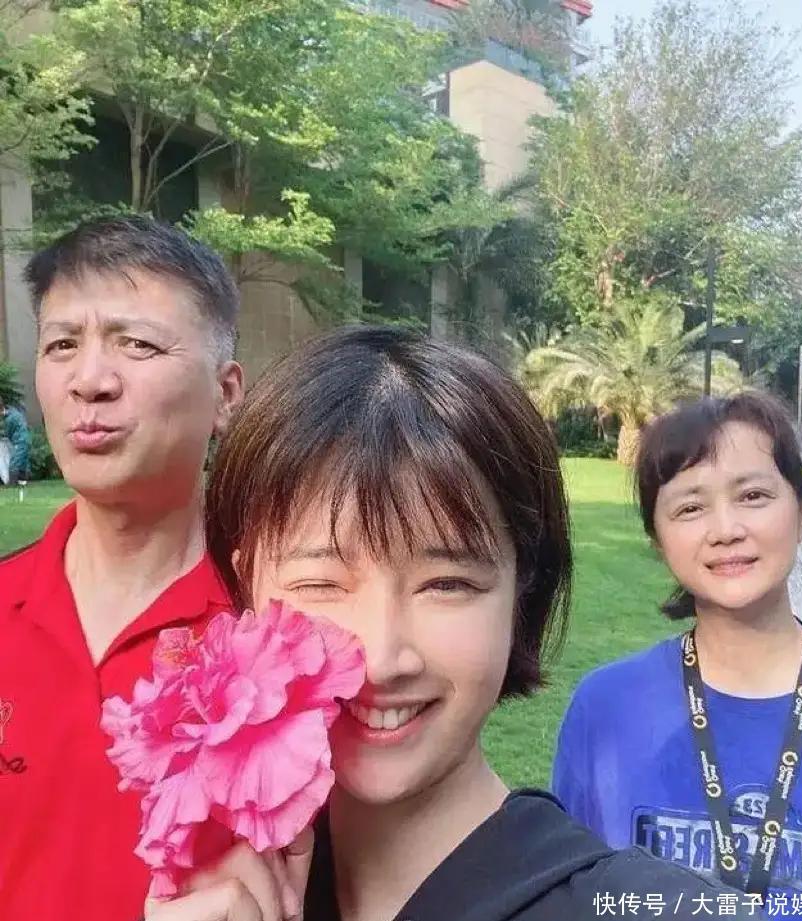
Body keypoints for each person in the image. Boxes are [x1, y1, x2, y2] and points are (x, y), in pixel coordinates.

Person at [150, 326, 753, 921]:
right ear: (247, 592)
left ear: (522, 594)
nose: (382, 658)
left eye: (446, 584)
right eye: (321, 585)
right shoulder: (220, 886)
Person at [0, 216, 244, 921]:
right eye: (62, 345)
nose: (90, 381)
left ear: (225, 393)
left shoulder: (279, 631)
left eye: (137, 343)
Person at [553, 393, 802, 916]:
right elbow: (574, 897)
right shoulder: (605, 709)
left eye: (753, 496)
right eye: (690, 507)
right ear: (657, 538)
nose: (726, 530)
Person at [0, 395, 31, 485]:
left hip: (20, 441)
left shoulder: (10, 419)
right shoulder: (12, 411)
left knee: (15, 463)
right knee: (23, 463)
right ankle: (23, 482)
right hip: (26, 439)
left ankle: (12, 483)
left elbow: (8, 433)